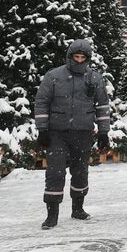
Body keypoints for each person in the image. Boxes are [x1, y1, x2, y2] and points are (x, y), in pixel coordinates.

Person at [34, 39, 111, 229]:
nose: (79, 60)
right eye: (75, 57)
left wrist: (103, 133)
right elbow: (42, 102)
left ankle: (78, 208)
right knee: (55, 172)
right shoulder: (53, 76)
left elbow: (102, 106)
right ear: (69, 57)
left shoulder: (95, 78)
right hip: (57, 133)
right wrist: (42, 129)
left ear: (87, 58)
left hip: (83, 132)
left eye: (82, 57)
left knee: (80, 171)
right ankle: (52, 215)